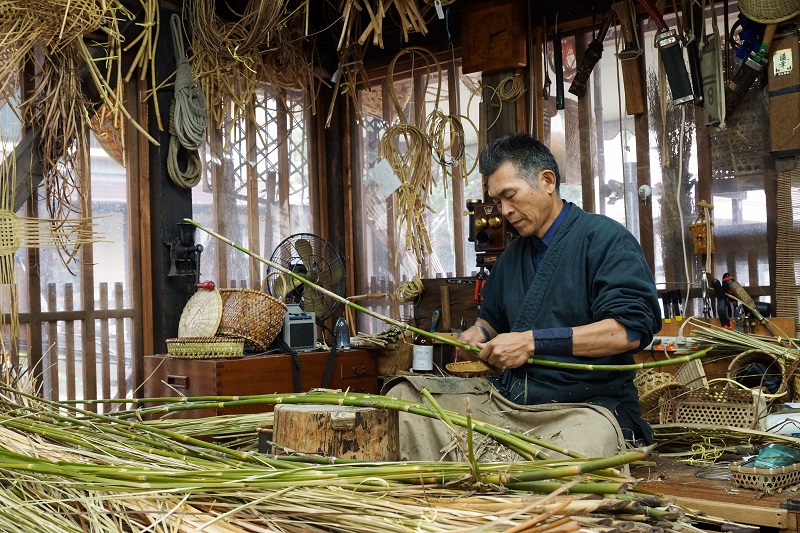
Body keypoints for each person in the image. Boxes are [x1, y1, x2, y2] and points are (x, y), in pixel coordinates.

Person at [457, 133, 661, 444]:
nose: (505, 211)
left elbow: (626, 331)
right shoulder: (512, 257)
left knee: (577, 446)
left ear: (547, 181)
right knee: (413, 402)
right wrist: (476, 336)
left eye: (510, 195)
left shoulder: (604, 239)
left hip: (590, 410)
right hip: (514, 405)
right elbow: (490, 323)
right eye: (498, 201)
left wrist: (531, 343)